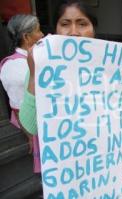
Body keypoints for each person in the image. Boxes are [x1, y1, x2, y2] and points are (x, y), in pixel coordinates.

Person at [19, 0, 97, 136]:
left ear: (94, 30)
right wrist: (33, 76)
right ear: (56, 30)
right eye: (65, 24)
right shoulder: (41, 68)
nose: (74, 32)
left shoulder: (111, 68)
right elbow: (30, 129)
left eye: (82, 24)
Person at [0, 14, 44, 173]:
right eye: (38, 31)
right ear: (27, 37)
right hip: (33, 126)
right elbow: (18, 106)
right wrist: (30, 136)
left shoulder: (34, 58)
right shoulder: (15, 67)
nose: (42, 35)